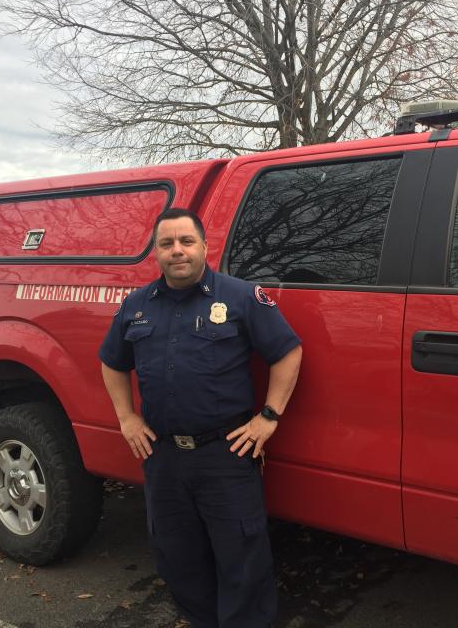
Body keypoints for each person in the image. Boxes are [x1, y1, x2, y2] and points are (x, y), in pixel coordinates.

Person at [99, 208, 302, 628]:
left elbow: (287, 352)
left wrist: (269, 416)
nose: (177, 251)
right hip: (164, 457)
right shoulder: (136, 306)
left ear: (206, 247)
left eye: (186, 242)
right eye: (167, 243)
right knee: (177, 559)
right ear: (155, 252)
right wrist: (127, 418)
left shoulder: (241, 297)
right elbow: (112, 362)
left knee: (242, 562)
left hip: (225, 453)